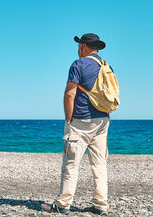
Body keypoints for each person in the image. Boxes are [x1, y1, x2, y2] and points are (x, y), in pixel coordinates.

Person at [42, 33, 112, 215]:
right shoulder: (106, 66)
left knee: (71, 163)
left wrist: (68, 119)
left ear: (84, 46)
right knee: (99, 164)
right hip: (103, 120)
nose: (78, 48)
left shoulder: (78, 64)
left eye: (79, 45)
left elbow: (70, 93)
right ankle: (101, 205)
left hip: (81, 120)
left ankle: (63, 204)